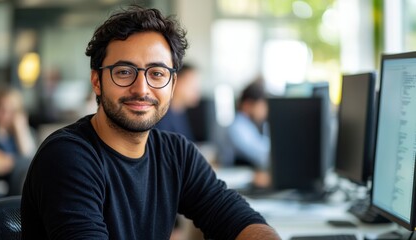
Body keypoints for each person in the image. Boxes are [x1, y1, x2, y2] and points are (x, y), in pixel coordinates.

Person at [21, 6, 280, 240]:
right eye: (124, 72)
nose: (142, 89)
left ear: (172, 84)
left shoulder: (176, 153)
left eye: (157, 74)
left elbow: (239, 220)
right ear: (97, 81)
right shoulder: (68, 157)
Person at [224, 79, 271, 187]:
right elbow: (260, 155)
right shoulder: (237, 127)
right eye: (261, 106)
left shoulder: (252, 124)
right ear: (247, 105)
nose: (265, 111)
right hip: (240, 184)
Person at [154, 63, 200, 141]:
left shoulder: (180, 112)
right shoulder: (162, 117)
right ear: (176, 81)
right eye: (191, 84)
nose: (196, 90)